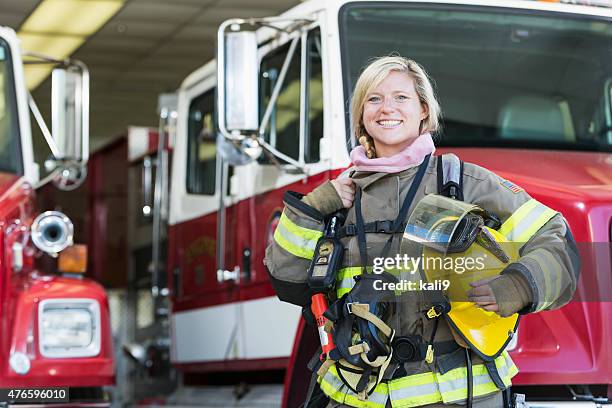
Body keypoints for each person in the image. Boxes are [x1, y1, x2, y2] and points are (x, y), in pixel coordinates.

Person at [264, 56, 579, 408]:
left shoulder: (462, 182)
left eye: (401, 97)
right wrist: (312, 208)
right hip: (354, 395)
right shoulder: (338, 196)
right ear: (361, 115)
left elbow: (557, 241)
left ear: (424, 112)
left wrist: (518, 286)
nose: (387, 109)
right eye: (374, 98)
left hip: (457, 397)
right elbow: (288, 283)